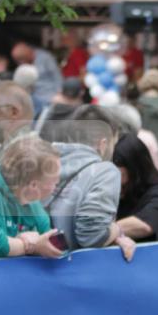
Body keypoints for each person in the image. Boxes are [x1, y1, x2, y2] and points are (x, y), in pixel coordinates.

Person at [45, 104, 134, 260]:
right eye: (114, 144)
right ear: (103, 144)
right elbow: (92, 236)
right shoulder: (105, 171)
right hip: (72, 269)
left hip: (29, 266)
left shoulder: (41, 160)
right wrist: (115, 229)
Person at [0, 134, 61, 259]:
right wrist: (29, 246)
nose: (56, 187)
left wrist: (46, 246)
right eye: (55, 182)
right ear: (33, 185)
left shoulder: (30, 201)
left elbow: (47, 242)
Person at [113, 132, 158, 241]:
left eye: (118, 176)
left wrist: (103, 232)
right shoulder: (121, 195)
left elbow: (145, 225)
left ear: (135, 170)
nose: (114, 183)